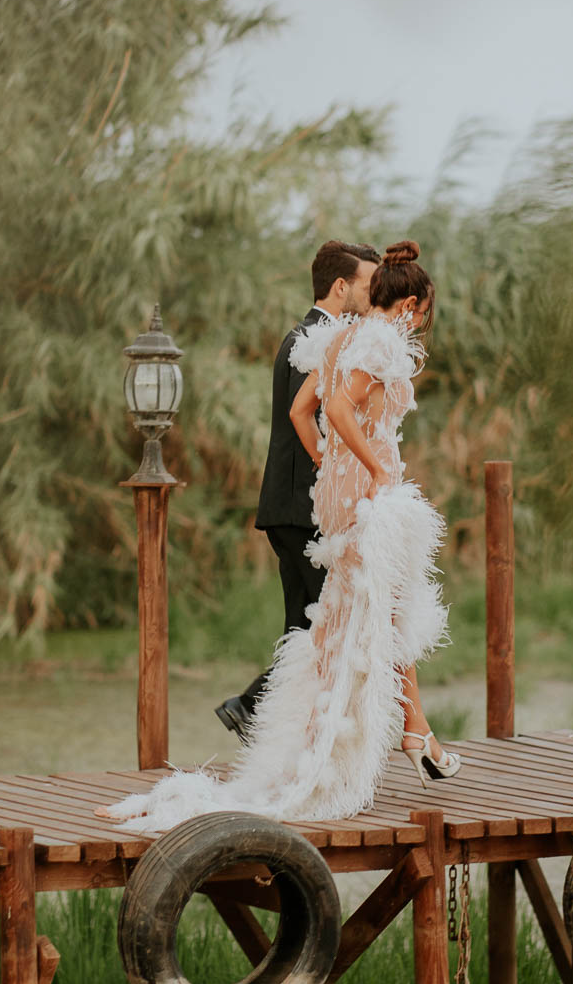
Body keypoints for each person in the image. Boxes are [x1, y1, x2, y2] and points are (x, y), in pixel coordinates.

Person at [99, 240, 458, 832]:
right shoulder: (375, 342)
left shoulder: (336, 339)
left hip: (331, 502)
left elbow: (304, 412)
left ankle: (396, 733)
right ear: (413, 304)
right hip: (354, 502)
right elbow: (339, 410)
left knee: (352, 618)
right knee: (368, 617)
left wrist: (332, 467)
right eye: (422, 313)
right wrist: (371, 468)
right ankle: (394, 735)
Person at [214, 239, 381, 741]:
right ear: (341, 286)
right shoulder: (313, 342)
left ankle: (272, 725)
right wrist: (337, 477)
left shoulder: (312, 336)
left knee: (304, 627)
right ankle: (250, 707)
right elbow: (312, 422)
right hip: (301, 508)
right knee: (322, 626)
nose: (374, 297)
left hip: (293, 507)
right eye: (369, 286)